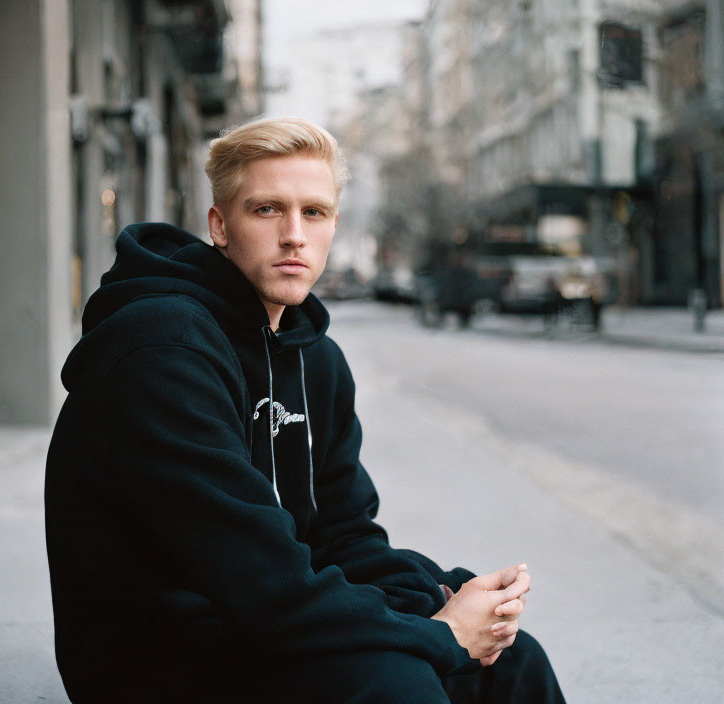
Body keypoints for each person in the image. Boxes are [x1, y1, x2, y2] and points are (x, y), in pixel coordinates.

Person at [45, 117, 566, 703]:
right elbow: (261, 584)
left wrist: (448, 599)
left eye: (313, 213)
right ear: (220, 225)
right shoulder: (162, 350)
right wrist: (438, 635)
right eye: (267, 210)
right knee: (398, 684)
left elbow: (344, 535)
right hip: (155, 656)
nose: (294, 234)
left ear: (333, 226)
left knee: (511, 662)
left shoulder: (315, 359)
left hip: (261, 622)